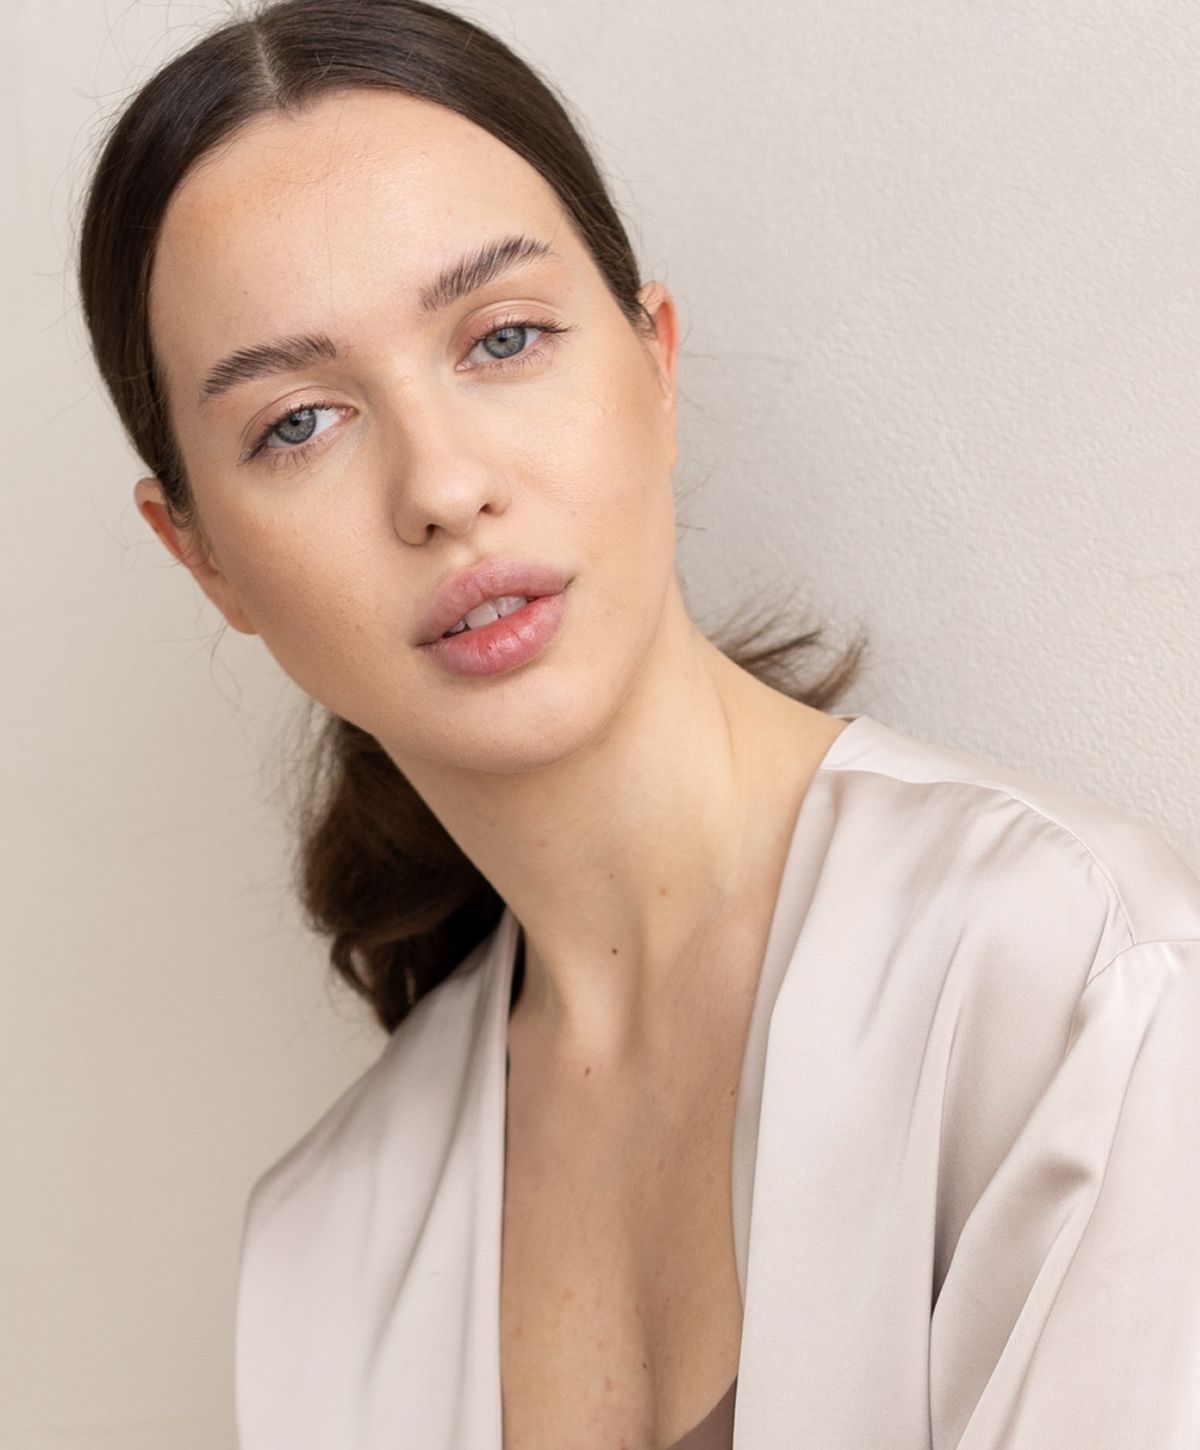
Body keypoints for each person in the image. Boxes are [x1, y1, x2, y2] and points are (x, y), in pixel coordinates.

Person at [76, 1, 1200, 1446]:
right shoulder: (323, 1250)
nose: (443, 486)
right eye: (298, 422)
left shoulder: (1072, 979)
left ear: (655, 363)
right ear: (203, 560)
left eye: (504, 337)